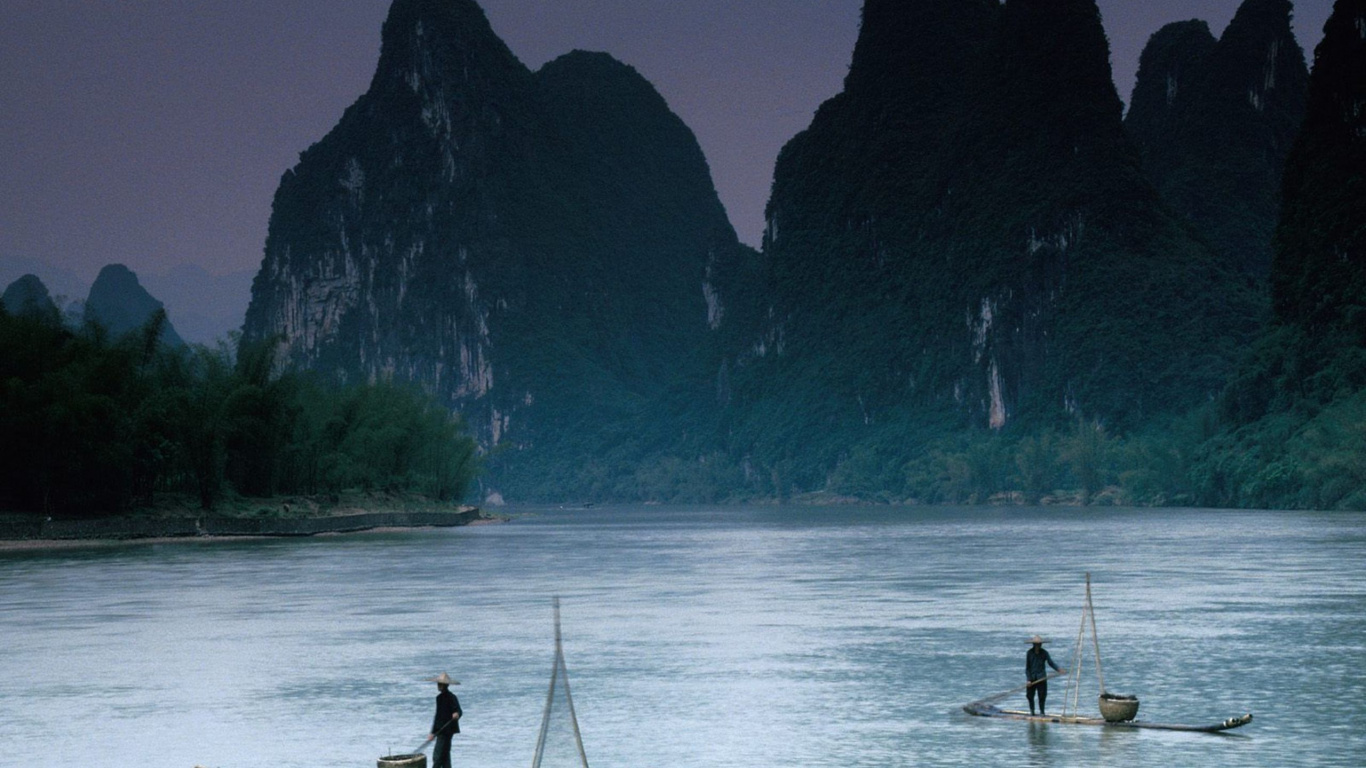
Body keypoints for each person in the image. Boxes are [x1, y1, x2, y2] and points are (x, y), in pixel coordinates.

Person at [425, 672, 462, 768]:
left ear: (446, 685)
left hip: (448, 730)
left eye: (441, 684)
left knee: (437, 756)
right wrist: (432, 732)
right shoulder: (439, 698)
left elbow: (459, 711)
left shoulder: (451, 697)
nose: (439, 686)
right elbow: (437, 716)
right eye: (439, 684)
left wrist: (456, 714)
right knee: (445, 756)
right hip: (440, 730)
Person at [1025, 635, 1063, 715]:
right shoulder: (1029, 653)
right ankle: (1032, 711)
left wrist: (1058, 669)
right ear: (1033, 644)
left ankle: (1042, 712)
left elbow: (1051, 663)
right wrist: (1028, 680)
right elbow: (1027, 668)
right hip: (1032, 678)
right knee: (1029, 696)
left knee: (1042, 696)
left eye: (1039, 644)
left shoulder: (1044, 653)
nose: (1038, 646)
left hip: (1041, 677)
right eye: (1037, 644)